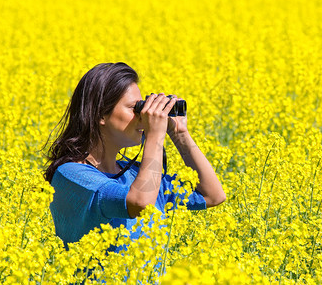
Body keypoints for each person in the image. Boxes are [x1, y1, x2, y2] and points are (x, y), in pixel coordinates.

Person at [44, 62, 226, 252]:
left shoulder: (135, 174)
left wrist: (179, 133)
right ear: (101, 115)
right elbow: (140, 203)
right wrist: (155, 136)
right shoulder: (71, 175)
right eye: (134, 108)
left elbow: (212, 195)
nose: (143, 116)